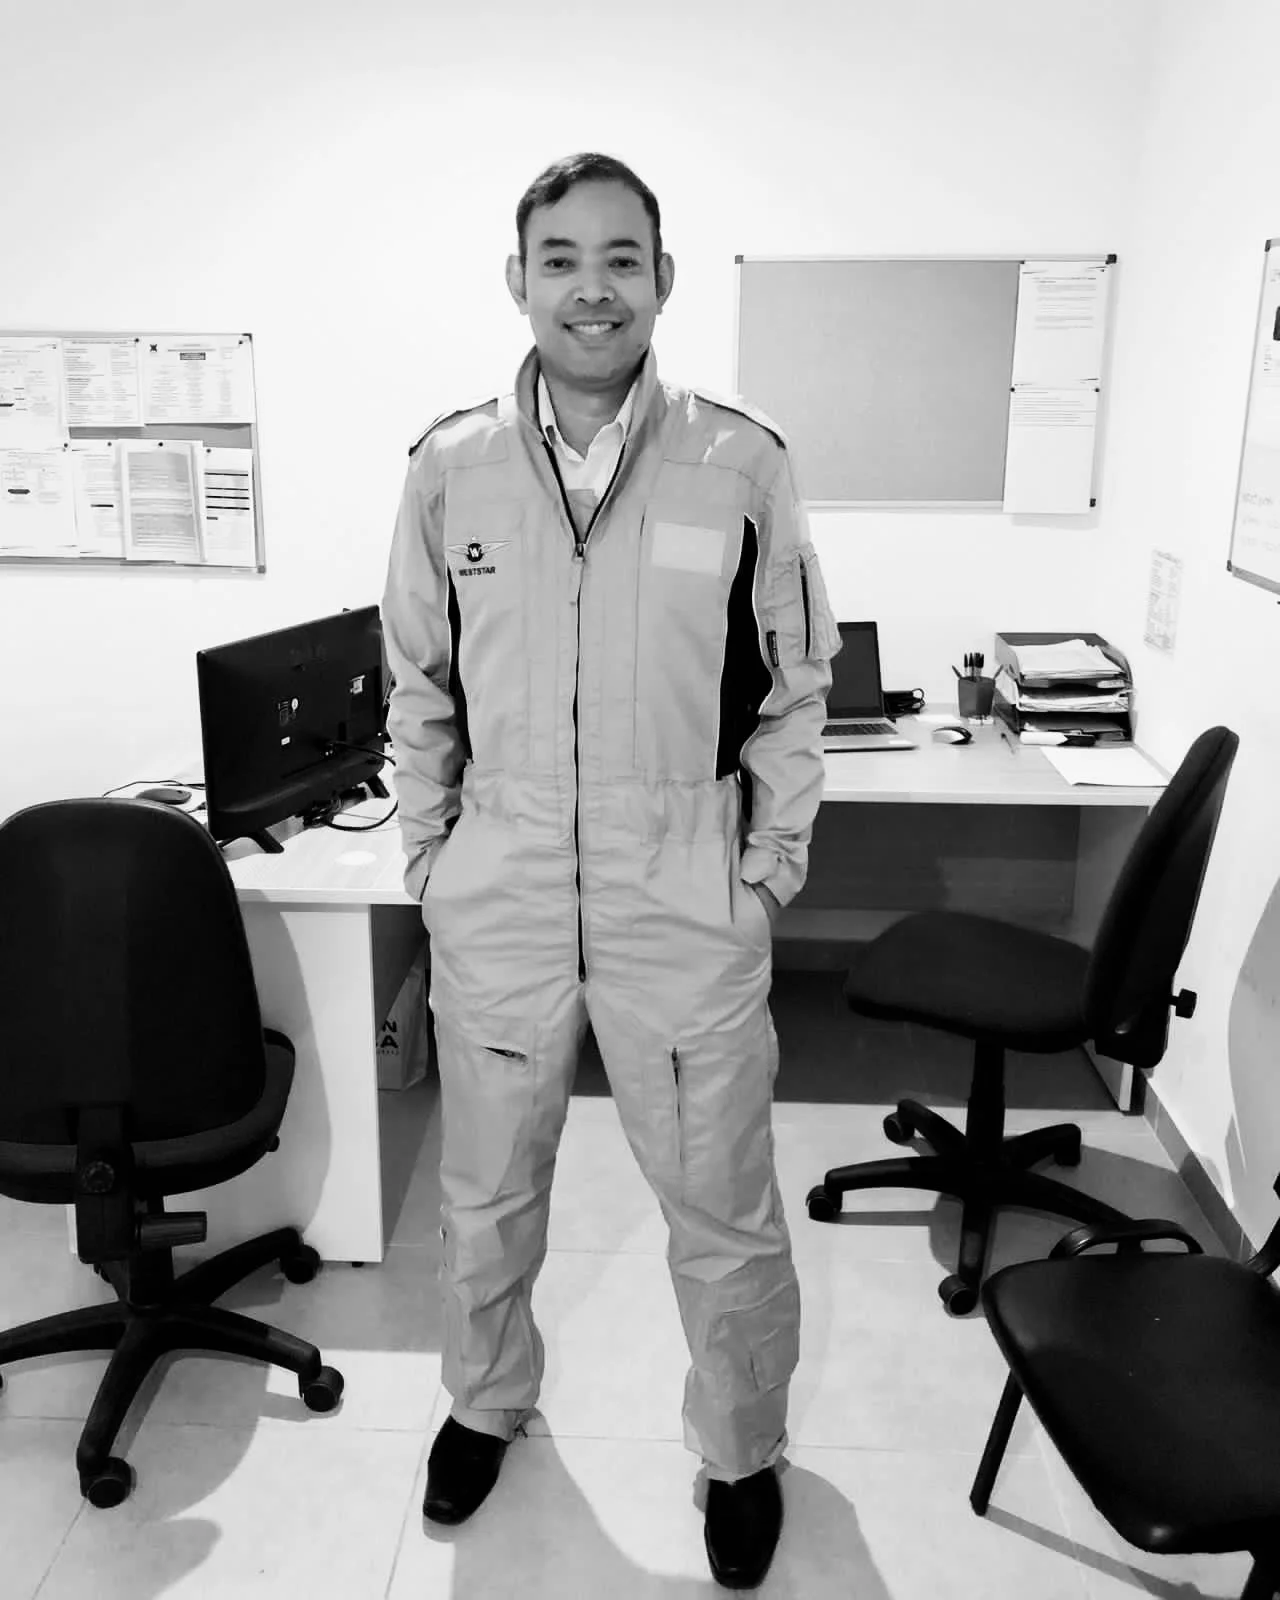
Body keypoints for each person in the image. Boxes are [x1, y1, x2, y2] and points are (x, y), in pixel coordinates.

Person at [381, 151, 840, 1590]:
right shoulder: (449, 467)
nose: (593, 288)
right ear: (519, 281)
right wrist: (433, 853)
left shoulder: (740, 463)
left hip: (682, 894)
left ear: (664, 278)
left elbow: (796, 685)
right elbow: (417, 682)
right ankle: (483, 1401)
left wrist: (765, 868)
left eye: (622, 258)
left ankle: (742, 1449)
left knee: (723, 1210)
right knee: (484, 1196)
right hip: (502, 891)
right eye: (562, 259)